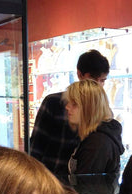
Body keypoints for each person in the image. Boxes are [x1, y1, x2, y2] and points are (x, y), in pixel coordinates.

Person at [30, 49, 110, 179]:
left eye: (101, 80)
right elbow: (36, 148)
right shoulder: (54, 103)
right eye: (91, 79)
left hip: (76, 184)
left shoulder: (102, 111)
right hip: (51, 181)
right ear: (80, 74)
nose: (95, 85)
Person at [65, 79, 123, 194]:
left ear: (89, 108)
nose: (67, 107)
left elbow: (87, 190)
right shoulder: (94, 137)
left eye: (74, 104)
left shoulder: (96, 143)